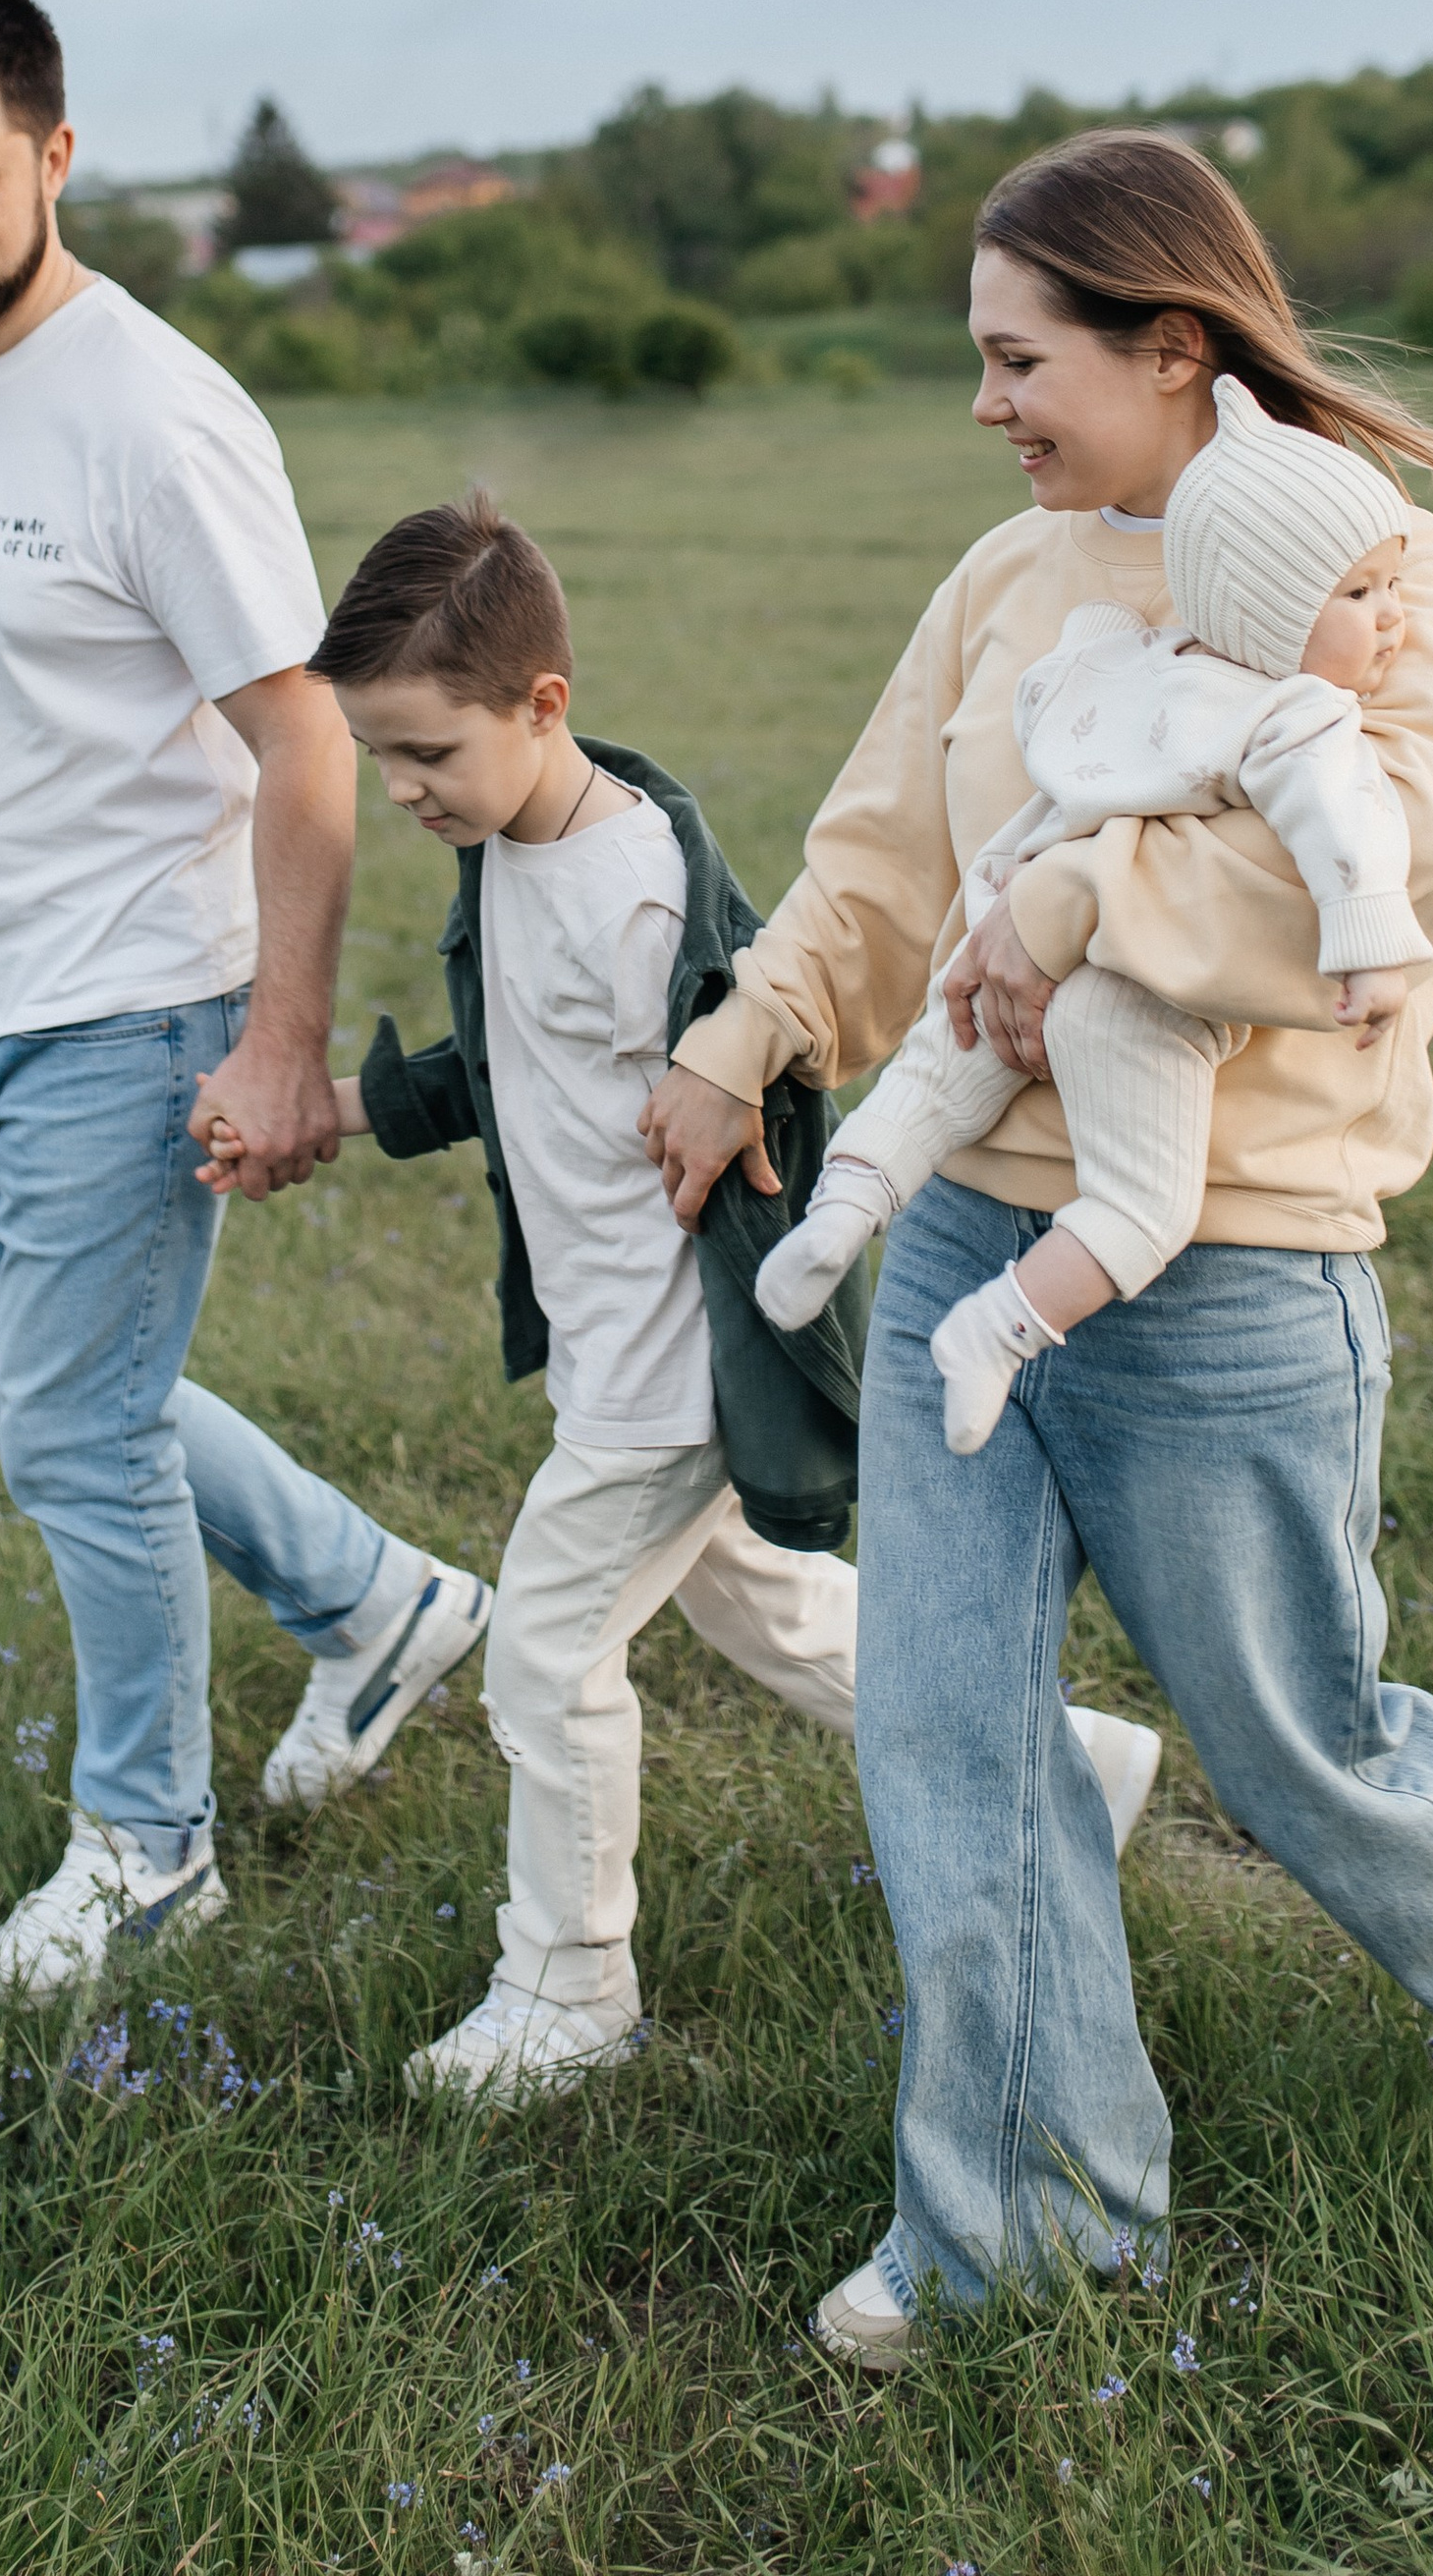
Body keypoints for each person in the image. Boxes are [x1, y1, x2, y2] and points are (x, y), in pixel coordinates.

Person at [639, 130, 1433, 2369]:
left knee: (1294, 1743)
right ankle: (1029, 2221)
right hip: (973, 1233)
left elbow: (1395, 869)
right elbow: (879, 852)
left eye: (1015, 358)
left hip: (1223, 1265)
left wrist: (1079, 899)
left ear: (1167, 345)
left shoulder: (1370, 564)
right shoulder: (1007, 573)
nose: (985, 404)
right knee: (944, 1732)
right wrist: (744, 1035)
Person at [197, 492, 1167, 2098]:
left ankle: (568, 1986)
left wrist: (768, 1341)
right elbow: (509, 1067)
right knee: (768, 1612)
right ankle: (1083, 1768)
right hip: (610, 1347)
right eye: (378, 756)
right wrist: (339, 1110)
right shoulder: (511, 843)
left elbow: (772, 1095)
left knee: (543, 1653)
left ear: (544, 704)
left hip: (673, 1373)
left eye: (428, 752)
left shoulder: (639, 894)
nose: (401, 788)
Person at [0, 0, 488, 1998]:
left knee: (77, 1432)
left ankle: (149, 1848)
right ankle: (378, 1605)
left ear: (54, 156)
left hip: (139, 1000)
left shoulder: (155, 416)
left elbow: (304, 739)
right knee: (23, 1405)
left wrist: (278, 1041)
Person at [755, 371, 1433, 1452]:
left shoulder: (1134, 658)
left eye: (1389, 587)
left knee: (933, 1081)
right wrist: (1369, 950)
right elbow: (1350, 836)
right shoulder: (1299, 716)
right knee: (1139, 1206)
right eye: (1360, 595)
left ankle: (839, 1215)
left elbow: (1057, 686)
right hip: (1134, 999)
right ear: (1264, 606)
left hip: (999, 930)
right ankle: (1001, 1329)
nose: (1396, 616)